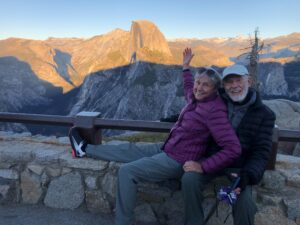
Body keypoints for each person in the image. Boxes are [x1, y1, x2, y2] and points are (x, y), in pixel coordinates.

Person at [68, 48, 241, 225]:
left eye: (205, 85)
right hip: (168, 147)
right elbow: (189, 87)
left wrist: (202, 166)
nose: (199, 87)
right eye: (199, 82)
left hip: (178, 160)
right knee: (128, 149)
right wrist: (185, 67)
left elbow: (233, 148)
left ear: (214, 90)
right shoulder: (197, 98)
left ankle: (123, 222)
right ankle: (84, 150)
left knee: (127, 171)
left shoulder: (215, 110)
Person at [181, 63, 276, 225]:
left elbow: (261, 151)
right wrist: (174, 119)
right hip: (212, 160)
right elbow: (196, 113)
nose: (234, 86)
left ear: (249, 81)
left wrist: (248, 175)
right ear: (223, 85)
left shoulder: (264, 114)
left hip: (240, 168)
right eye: (229, 82)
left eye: (238, 80)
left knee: (244, 201)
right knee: (189, 179)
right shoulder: (217, 102)